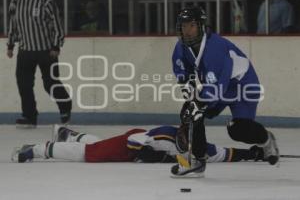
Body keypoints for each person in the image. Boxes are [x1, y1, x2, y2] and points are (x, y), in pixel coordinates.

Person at [171, 6, 279, 177]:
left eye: (191, 25)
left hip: (243, 86)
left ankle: (266, 140)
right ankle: (197, 161)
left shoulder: (215, 50)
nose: (187, 30)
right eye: (183, 26)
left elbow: (217, 87)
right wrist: (190, 95)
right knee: (191, 113)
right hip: (219, 86)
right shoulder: (181, 47)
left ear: (200, 26)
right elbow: (183, 73)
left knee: (238, 130)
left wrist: (198, 102)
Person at [6, 0, 72, 128]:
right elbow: (13, 24)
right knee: (24, 85)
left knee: (50, 83)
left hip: (46, 51)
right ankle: (30, 116)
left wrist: (56, 46)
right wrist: (10, 44)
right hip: (25, 51)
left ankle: (65, 107)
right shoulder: (16, 0)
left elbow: (56, 24)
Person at [11, 124, 265, 164]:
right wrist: (146, 154)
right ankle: (37, 149)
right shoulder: (166, 135)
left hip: (136, 142)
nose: (188, 142)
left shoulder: (202, 148)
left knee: (100, 146)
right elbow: (134, 142)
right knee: (90, 154)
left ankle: (69, 134)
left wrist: (253, 154)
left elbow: (226, 154)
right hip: (134, 141)